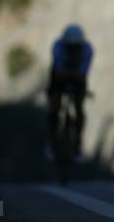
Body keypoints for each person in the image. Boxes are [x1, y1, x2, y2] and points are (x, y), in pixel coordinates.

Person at [45, 24, 94, 163]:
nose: (73, 50)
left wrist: (79, 90)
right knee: (54, 106)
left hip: (77, 77)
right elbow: (58, 69)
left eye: (75, 47)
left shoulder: (88, 50)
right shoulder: (57, 47)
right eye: (70, 47)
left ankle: (78, 145)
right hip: (58, 75)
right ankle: (51, 140)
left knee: (79, 108)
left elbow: (83, 72)